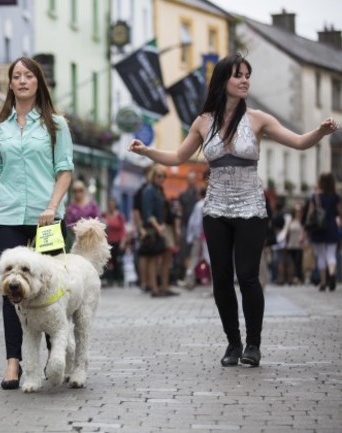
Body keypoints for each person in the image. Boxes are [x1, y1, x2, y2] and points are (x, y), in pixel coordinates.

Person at [129, 53, 339, 367]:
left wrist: (319, 133)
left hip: (251, 209)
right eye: (238, 75)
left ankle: (253, 345)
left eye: (247, 75)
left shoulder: (257, 119)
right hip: (215, 209)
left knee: (248, 277)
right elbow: (176, 156)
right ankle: (233, 343)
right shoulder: (203, 121)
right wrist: (148, 152)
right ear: (223, 80)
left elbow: (297, 142)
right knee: (222, 279)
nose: (244, 81)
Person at [0, 56, 74, 389]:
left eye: (29, 76)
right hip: (9, 215)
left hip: (46, 218)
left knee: (52, 289)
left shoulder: (56, 124)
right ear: (10, 83)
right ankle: (14, 363)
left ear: (38, 82)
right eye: (17, 76)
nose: (22, 80)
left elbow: (64, 169)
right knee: (12, 291)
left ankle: (57, 354)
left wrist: (52, 205)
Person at [140, 164, 179, 297]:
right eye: (159, 176)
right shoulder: (149, 190)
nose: (162, 178)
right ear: (153, 176)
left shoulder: (159, 190)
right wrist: (157, 227)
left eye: (164, 176)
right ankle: (154, 288)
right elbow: (147, 213)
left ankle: (164, 286)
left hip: (163, 226)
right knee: (153, 258)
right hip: (154, 228)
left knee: (166, 257)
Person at [307, 173, 341, 292]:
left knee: (321, 255)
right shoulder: (335, 197)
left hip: (318, 229)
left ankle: (322, 282)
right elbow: (340, 213)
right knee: (331, 254)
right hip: (332, 228)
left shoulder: (315, 197)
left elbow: (310, 213)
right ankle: (331, 274)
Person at [65, 179, 101, 249]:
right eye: (75, 191)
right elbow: (69, 224)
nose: (78, 193)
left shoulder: (92, 204)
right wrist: (79, 232)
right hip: (78, 240)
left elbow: (98, 218)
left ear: (84, 190)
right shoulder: (71, 208)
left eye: (80, 190)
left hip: (92, 238)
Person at [103, 197, 127, 286]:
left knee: (117, 261)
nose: (111, 206)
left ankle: (119, 279)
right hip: (107, 242)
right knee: (107, 262)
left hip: (117, 242)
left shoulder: (119, 216)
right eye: (109, 204)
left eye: (112, 204)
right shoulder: (104, 216)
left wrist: (123, 242)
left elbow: (123, 230)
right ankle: (108, 279)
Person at [284, 203, 306, 285]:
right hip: (291, 245)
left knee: (298, 262)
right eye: (297, 211)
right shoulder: (290, 221)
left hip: (299, 245)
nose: (298, 212)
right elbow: (287, 233)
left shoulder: (303, 221)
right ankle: (292, 278)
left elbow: (305, 232)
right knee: (291, 262)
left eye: (299, 211)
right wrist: (285, 243)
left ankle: (297, 278)